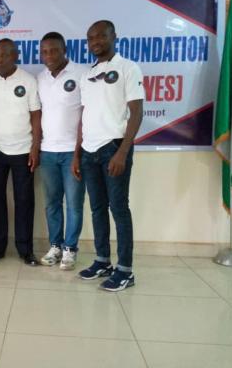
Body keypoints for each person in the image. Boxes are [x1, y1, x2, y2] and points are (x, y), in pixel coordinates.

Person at [72, 20, 144, 291]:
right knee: (97, 208)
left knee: (119, 208)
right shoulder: (87, 75)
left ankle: (125, 270)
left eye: (101, 36)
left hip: (114, 148)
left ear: (114, 37)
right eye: (91, 38)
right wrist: (77, 154)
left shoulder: (128, 68)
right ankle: (103, 260)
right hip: (89, 151)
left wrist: (122, 152)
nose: (95, 42)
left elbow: (136, 112)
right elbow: (84, 115)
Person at [0, 38, 42, 266]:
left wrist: (35, 147)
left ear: (15, 56)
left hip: (23, 150)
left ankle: (25, 250)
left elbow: (36, 115)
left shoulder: (28, 80)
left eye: (4, 55)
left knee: (24, 200)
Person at [38, 32, 86, 270]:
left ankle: (70, 248)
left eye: (54, 50)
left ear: (64, 50)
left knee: (74, 204)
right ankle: (55, 246)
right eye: (44, 52)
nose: (49, 56)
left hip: (72, 152)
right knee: (52, 203)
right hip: (47, 151)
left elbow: (86, 116)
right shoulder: (41, 78)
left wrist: (78, 153)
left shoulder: (81, 74)